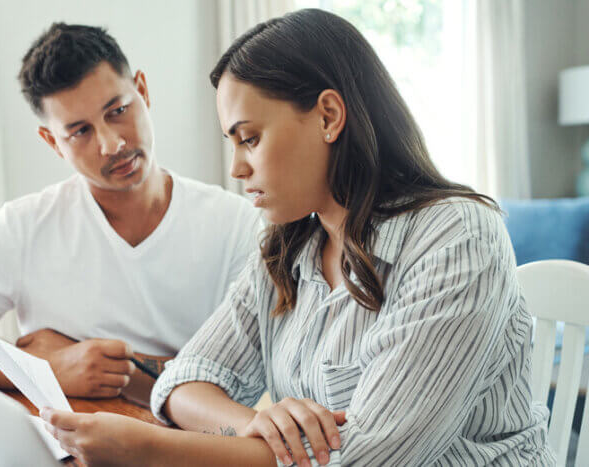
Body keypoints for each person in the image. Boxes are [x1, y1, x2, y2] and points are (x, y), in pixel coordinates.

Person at [38, 9, 556, 466]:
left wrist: (147, 451)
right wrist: (254, 426)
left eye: (250, 138)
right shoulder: (287, 248)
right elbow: (182, 382)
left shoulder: (456, 238)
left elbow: (365, 460)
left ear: (328, 116)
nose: (237, 167)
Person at [0, 23, 261, 406]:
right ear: (52, 142)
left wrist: (114, 372)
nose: (111, 144)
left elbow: (240, 385)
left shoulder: (235, 223)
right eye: (79, 132)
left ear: (142, 90)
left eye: (118, 110)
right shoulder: (23, 226)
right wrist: (46, 367)